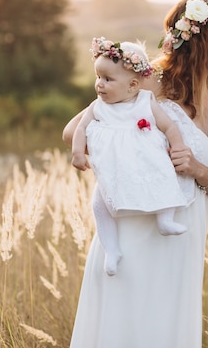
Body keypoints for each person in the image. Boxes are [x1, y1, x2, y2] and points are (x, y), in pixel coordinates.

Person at [63, 0, 208, 348]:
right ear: (197, 36)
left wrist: (196, 168)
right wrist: (139, 152)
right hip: (132, 231)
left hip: (181, 239)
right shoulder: (150, 82)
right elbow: (74, 132)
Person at [70, 36, 195, 276]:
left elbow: (169, 127)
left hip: (146, 162)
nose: (100, 85)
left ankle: (165, 219)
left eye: (108, 79)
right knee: (99, 204)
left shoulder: (146, 102)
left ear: (133, 85)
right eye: (98, 77)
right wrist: (78, 153)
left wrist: (177, 147)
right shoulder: (97, 106)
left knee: (163, 180)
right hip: (113, 169)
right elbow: (80, 129)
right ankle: (112, 249)